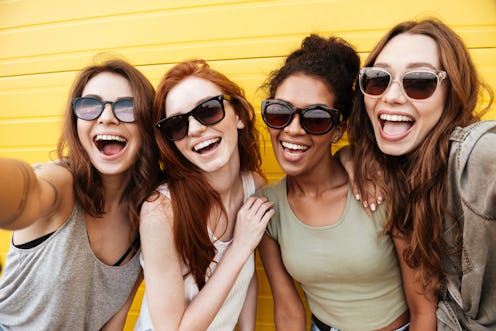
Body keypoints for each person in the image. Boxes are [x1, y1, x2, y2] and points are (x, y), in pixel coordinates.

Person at [256, 34, 429, 331]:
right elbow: (288, 309)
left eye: (316, 118)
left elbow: (423, 308)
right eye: (280, 112)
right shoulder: (268, 208)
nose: (293, 130)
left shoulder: (379, 187)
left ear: (338, 130)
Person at [348, 18, 495, 330]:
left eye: (419, 81)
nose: (391, 96)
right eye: (378, 79)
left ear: (451, 92)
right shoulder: (397, 168)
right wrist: (352, 159)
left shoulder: (477, 155)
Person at [0, 58, 160, 330]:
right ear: (75, 123)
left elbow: (116, 317)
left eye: (127, 107)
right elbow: (27, 191)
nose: (107, 117)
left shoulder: (150, 212)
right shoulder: (61, 182)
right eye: (90, 106)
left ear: (146, 126)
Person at [134, 59, 274, 331]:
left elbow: (246, 277)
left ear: (239, 116)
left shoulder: (254, 187)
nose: (196, 129)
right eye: (177, 125)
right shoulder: (161, 212)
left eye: (208, 110)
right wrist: (240, 247)